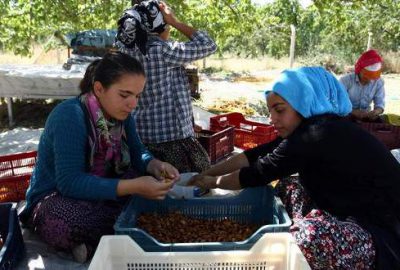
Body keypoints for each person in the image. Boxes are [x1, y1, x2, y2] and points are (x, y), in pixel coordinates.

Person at [189, 67, 400, 269]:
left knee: (308, 237)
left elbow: (258, 172)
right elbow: (255, 155)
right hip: (348, 214)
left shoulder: (318, 133)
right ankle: (310, 226)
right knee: (289, 186)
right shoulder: (315, 129)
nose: (273, 119)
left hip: (381, 236)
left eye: (280, 110)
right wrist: (208, 172)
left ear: (303, 103)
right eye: (270, 111)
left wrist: (211, 182)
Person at [20, 52, 179, 263]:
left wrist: (154, 164)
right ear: (98, 88)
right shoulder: (70, 116)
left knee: (152, 198)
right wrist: (134, 186)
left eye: (137, 96)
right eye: (124, 95)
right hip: (57, 196)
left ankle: (99, 241)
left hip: (102, 188)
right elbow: (69, 183)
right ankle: (100, 236)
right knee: (71, 220)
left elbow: (137, 152)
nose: (133, 104)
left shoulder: (122, 115)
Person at [116, 0, 217, 173]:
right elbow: (209, 44)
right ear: (160, 27)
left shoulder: (123, 50)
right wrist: (175, 21)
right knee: (185, 187)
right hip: (172, 142)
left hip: (140, 137)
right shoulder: (162, 51)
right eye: (167, 26)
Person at [339, 49, 385, 121]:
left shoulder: (378, 82)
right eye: (366, 75)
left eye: (372, 77)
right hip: (347, 116)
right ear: (359, 70)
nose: (369, 79)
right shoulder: (345, 80)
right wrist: (353, 112)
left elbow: (380, 104)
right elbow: (338, 103)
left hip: (367, 117)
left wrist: (376, 112)